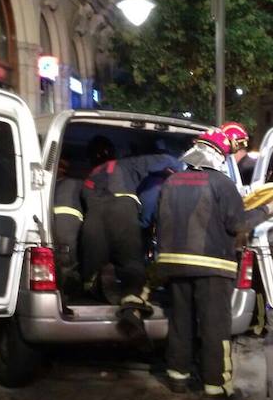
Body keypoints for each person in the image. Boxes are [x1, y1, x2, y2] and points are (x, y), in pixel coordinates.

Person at [156, 129, 273, 400]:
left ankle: (178, 377)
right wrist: (266, 210)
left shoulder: (171, 181)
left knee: (181, 323)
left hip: (174, 265)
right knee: (214, 327)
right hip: (212, 267)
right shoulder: (222, 183)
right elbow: (237, 224)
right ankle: (216, 384)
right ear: (219, 154)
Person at [81, 140, 182, 338]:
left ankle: (96, 286)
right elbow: (167, 161)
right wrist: (183, 169)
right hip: (123, 210)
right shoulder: (128, 164)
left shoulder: (88, 177)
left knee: (92, 266)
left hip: (93, 216)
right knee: (131, 264)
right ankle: (130, 308)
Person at [53, 158, 84, 299]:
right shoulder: (78, 183)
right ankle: (65, 295)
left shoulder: (50, 184)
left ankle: (62, 293)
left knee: (60, 259)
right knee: (66, 260)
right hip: (68, 225)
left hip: (54, 224)